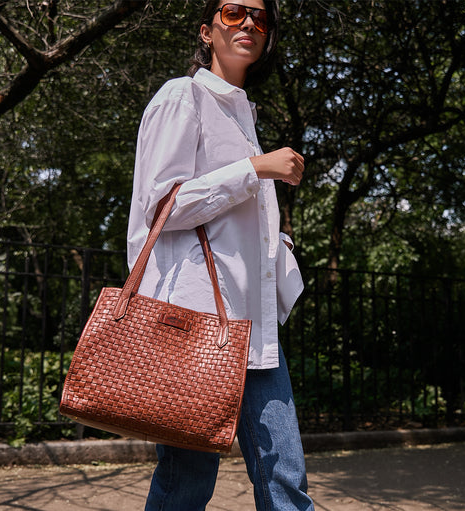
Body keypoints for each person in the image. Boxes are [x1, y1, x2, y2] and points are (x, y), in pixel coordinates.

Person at [126, 1, 313, 509]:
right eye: (235, 13)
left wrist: (279, 246)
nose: (250, 23)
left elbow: (229, 223)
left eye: (260, 17)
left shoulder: (242, 113)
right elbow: (162, 205)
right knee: (186, 480)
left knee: (285, 479)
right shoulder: (181, 96)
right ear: (207, 31)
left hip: (251, 327)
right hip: (195, 324)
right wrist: (255, 168)